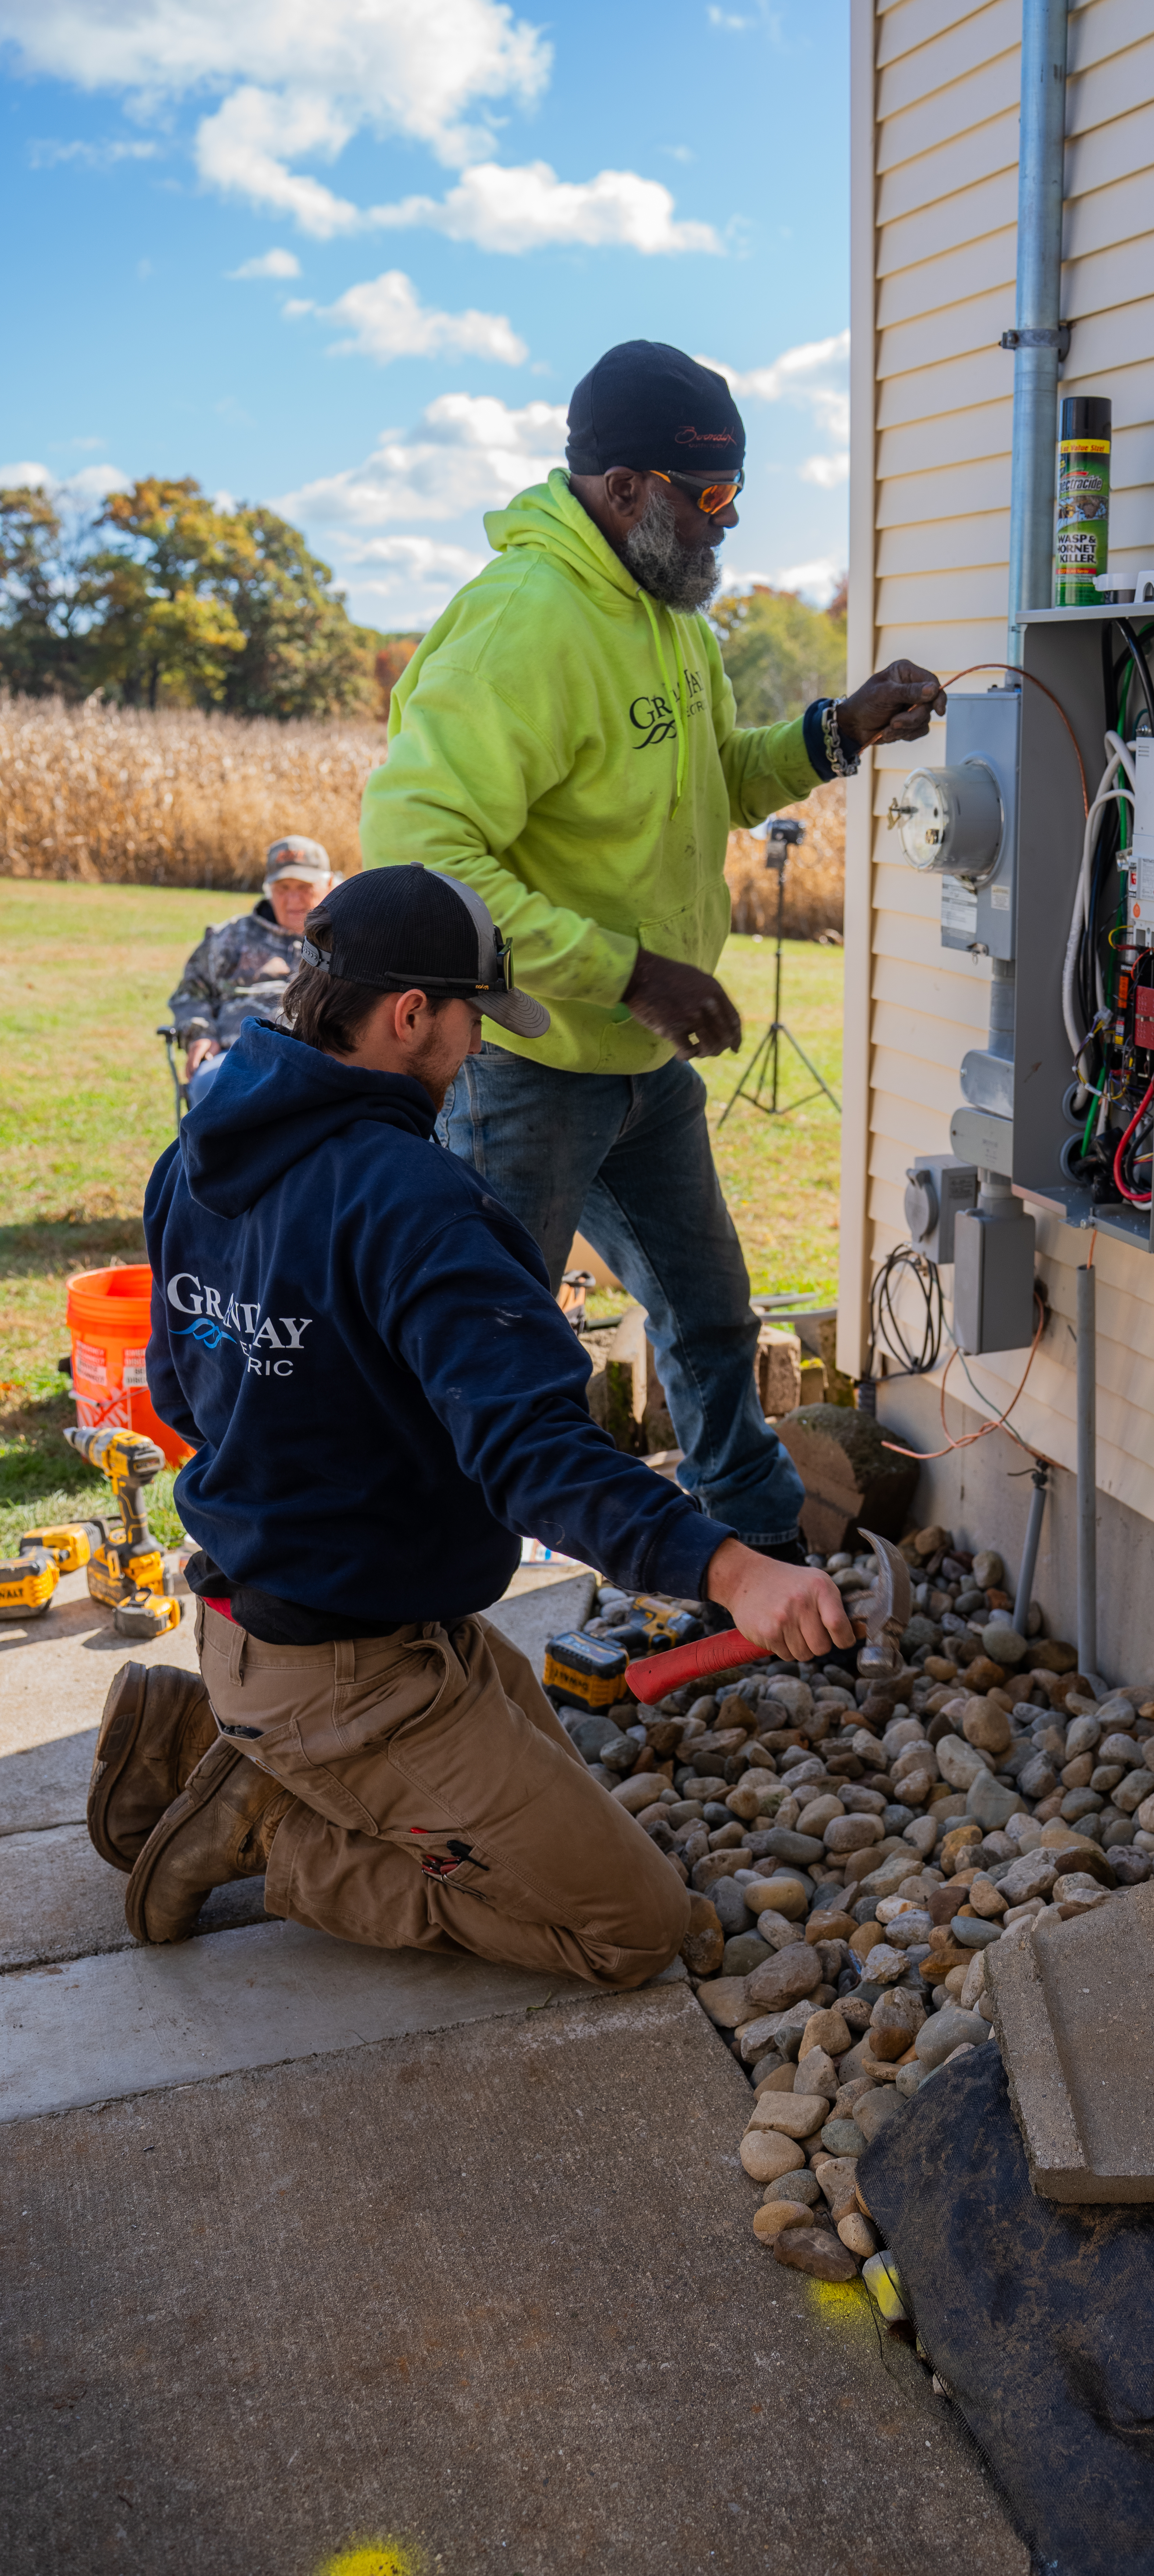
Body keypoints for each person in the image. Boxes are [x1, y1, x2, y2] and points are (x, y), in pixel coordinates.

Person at [106, 864, 853, 1981]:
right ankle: (274, 1826)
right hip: (346, 1669)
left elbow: (179, 1391)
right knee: (635, 1927)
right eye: (474, 1020)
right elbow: (533, 1453)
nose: (479, 1049)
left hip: (300, 1614)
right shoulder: (416, 1202)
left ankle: (202, 1730)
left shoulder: (195, 1153)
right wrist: (734, 1569)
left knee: (556, 1817)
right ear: (411, 1015)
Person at [360, 339, 946, 1559]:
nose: (730, 525)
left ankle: (758, 1554)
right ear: (629, 489)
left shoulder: (667, 611)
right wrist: (628, 969)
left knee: (712, 1317)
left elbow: (710, 777)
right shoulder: (526, 621)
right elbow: (418, 852)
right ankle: (425, 1573)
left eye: (738, 493)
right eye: (713, 497)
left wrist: (833, 732)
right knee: (495, 1339)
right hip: (528, 1071)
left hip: (640, 1063)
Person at [167, 836, 335, 1104]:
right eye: (283, 888)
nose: (293, 899)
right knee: (213, 1085)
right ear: (268, 889)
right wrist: (201, 1033)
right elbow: (191, 993)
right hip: (237, 1058)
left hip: (321, 1058)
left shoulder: (346, 940)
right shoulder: (230, 938)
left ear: (329, 885)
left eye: (304, 886)